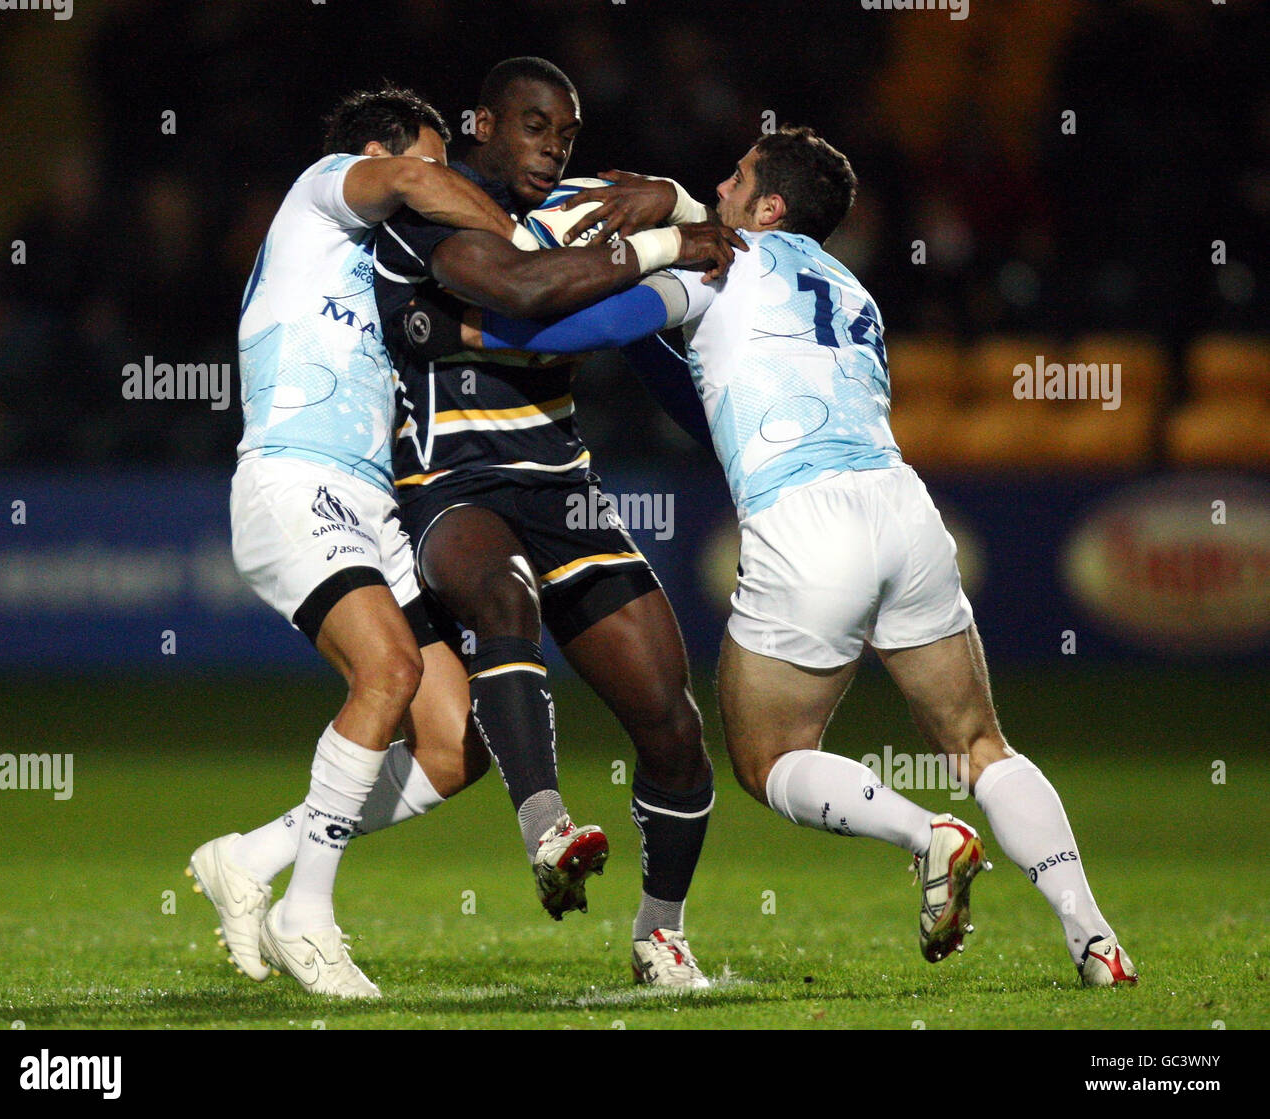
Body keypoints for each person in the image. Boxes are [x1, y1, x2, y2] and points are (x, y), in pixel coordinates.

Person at [429, 125, 1139, 988]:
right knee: (981, 742)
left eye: (733, 180)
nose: (715, 193)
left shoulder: (716, 261)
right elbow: (696, 395)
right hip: (905, 510)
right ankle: (1095, 938)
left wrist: (467, 322)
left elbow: (566, 328)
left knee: (768, 759)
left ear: (766, 206)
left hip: (806, 521)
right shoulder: (852, 290)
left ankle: (927, 836)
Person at [372, 57, 744, 988]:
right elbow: (527, 294)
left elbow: (728, 240)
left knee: (674, 725)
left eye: (567, 134)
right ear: (484, 123)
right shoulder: (428, 211)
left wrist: (678, 198)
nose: (552, 149)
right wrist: (662, 245)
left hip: (565, 490)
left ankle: (661, 934)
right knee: (503, 600)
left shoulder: (592, 201)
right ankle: (546, 832)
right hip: (452, 485)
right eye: (535, 126)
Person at [188, 85, 547, 999]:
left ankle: (253, 854)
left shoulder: (383, 287)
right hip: (293, 478)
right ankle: (306, 914)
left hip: (371, 506)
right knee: (385, 670)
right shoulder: (321, 192)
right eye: (428, 160)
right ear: (385, 159)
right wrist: (517, 233)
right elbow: (415, 188)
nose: (435, 180)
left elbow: (488, 328)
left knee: (455, 739)